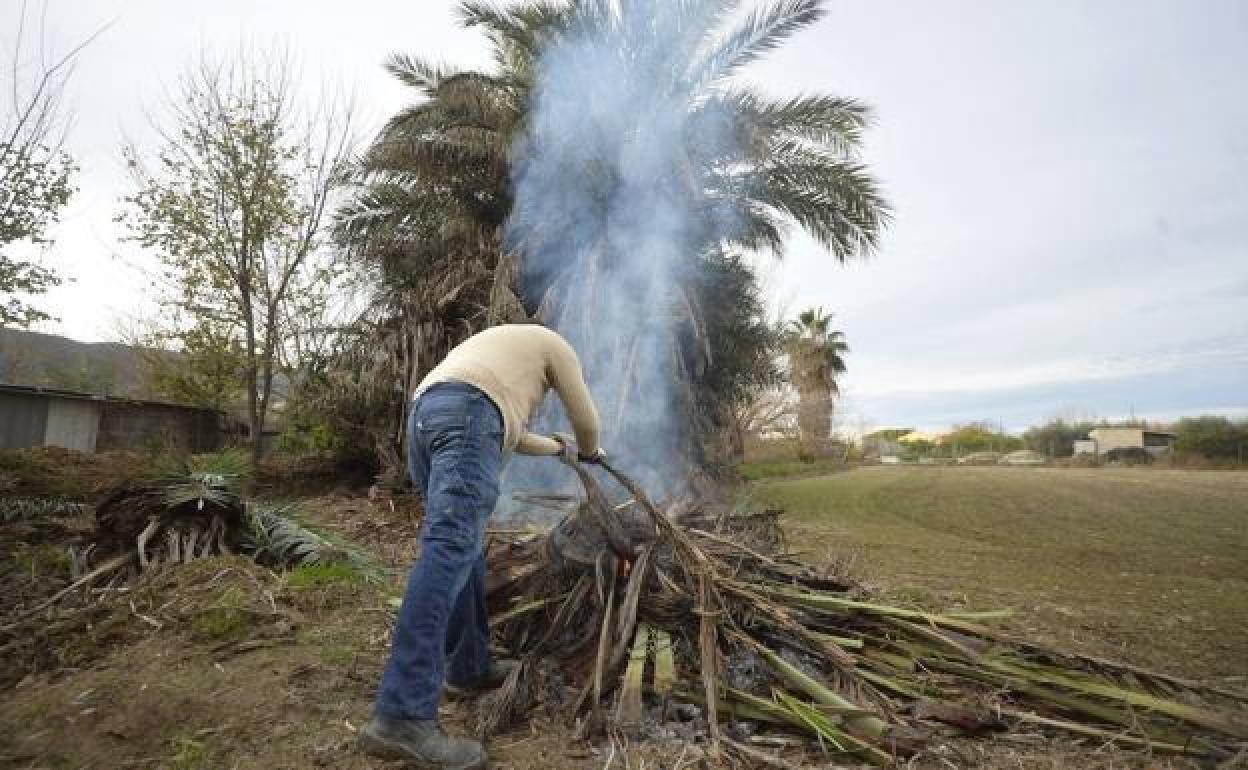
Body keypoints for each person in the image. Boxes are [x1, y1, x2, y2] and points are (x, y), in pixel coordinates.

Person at [358, 324, 604, 769]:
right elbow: (586, 421)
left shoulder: (495, 354)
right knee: (448, 550)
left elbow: (507, 431)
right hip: (466, 415)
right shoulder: (558, 347)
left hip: (425, 415)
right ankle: (401, 714)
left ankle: (467, 667)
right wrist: (589, 451)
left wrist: (556, 449)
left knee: (461, 550)